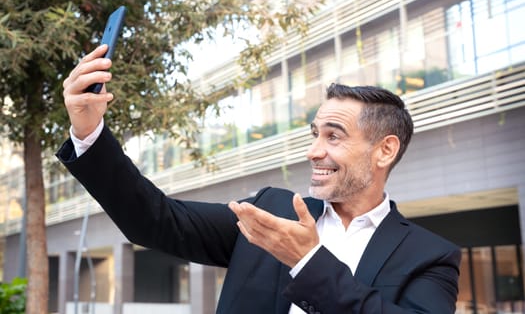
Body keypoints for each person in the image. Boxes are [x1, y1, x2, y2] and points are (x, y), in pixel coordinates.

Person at [57, 44, 461, 313]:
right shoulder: (270, 212)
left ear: (384, 150)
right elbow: (156, 219)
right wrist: (89, 133)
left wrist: (308, 261)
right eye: (314, 134)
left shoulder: (430, 256)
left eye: (333, 136)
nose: (314, 151)